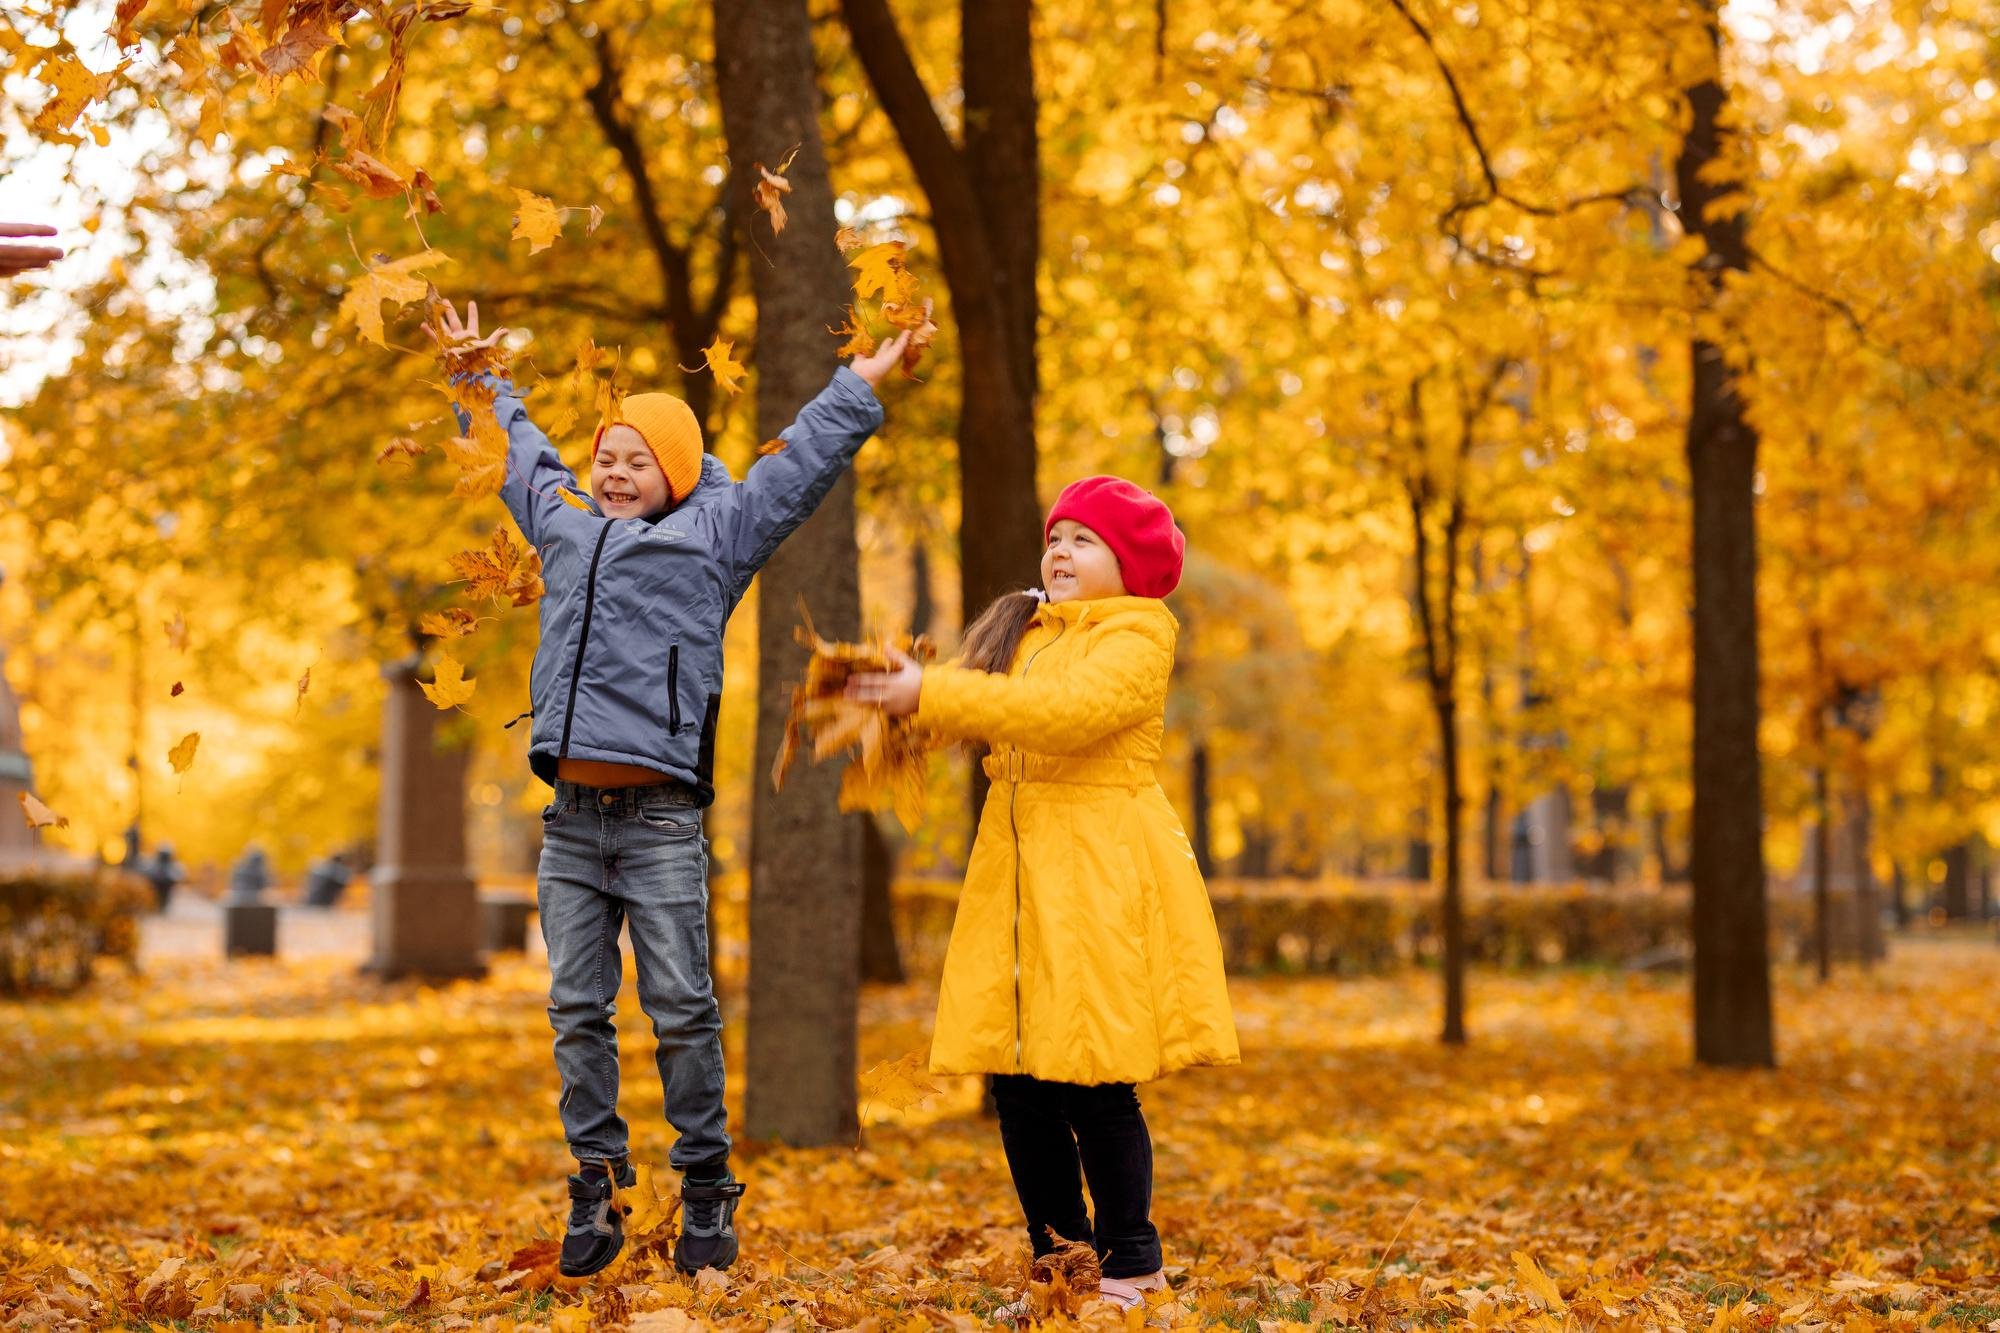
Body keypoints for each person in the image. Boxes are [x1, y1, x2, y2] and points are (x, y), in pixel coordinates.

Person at [429, 298, 910, 1278]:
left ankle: (704, 1185)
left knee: (682, 1007)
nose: (612, 472)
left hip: (656, 824)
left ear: (675, 474)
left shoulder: (716, 536)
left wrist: (856, 388)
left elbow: (796, 468)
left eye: (634, 460)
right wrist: (476, 373)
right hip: (569, 825)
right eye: (605, 456)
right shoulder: (563, 529)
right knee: (576, 1009)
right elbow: (520, 453)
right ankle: (596, 1183)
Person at [846, 475, 1240, 1314]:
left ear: (1126, 566)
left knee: (1094, 1074)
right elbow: (979, 709)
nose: (1059, 550)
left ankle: (1134, 1263)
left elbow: (1063, 713)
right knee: (1019, 1083)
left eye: (1082, 540)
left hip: (1097, 874)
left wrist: (939, 692)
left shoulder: (1139, 635)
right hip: (1018, 880)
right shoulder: (1024, 634)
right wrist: (894, 704)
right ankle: (1062, 1264)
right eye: (1055, 537)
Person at [143, 843, 185, 912]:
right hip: (157, 886)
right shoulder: (154, 864)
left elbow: (178, 875)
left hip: (166, 887)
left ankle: (162, 908)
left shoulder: (172, 865)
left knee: (165, 898)